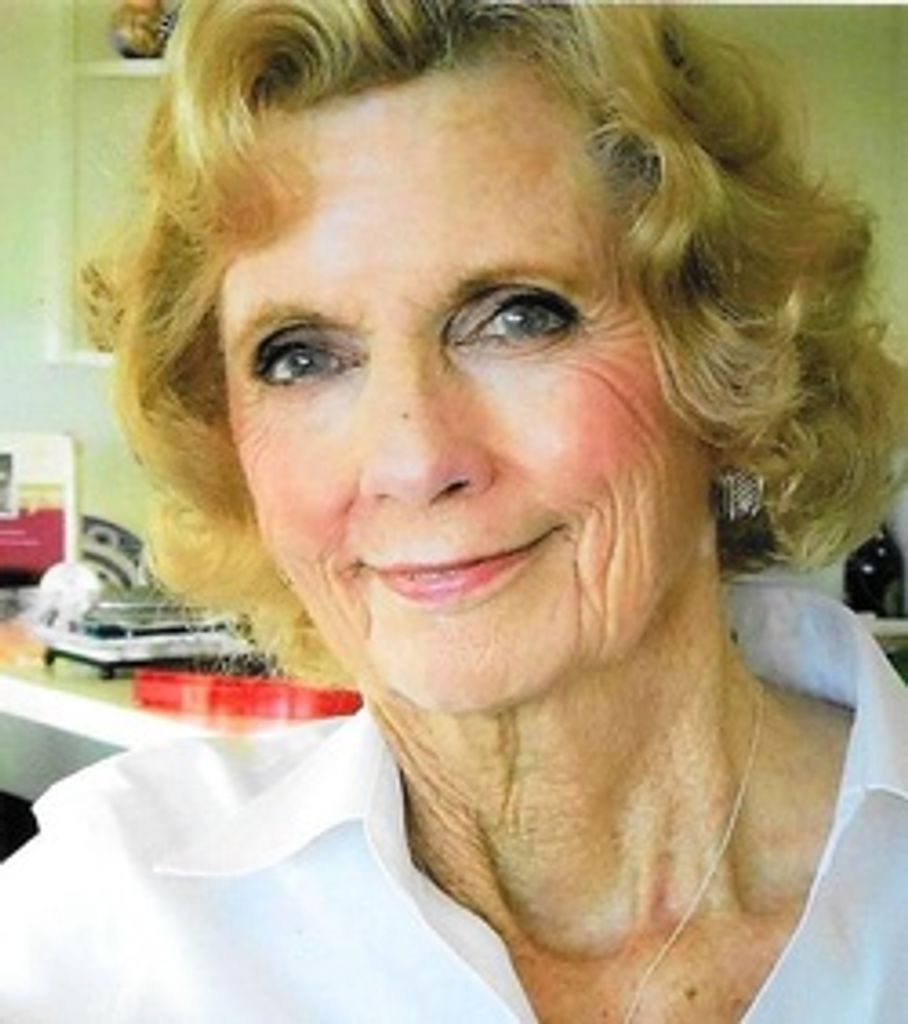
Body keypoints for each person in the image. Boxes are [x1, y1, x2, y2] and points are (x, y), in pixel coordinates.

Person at [2, 2, 908, 1021]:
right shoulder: (109, 921)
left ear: (726, 363)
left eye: (516, 317)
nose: (413, 459)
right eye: (300, 357)